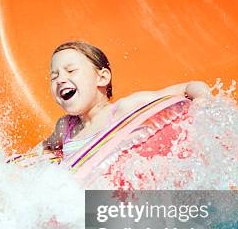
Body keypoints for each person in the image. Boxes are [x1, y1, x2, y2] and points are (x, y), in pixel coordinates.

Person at [38, 41, 210, 157]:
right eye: (54, 76)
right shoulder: (65, 127)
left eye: (70, 71)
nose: (60, 79)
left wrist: (202, 104)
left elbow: (189, 87)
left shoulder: (124, 109)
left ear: (102, 78)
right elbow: (39, 151)